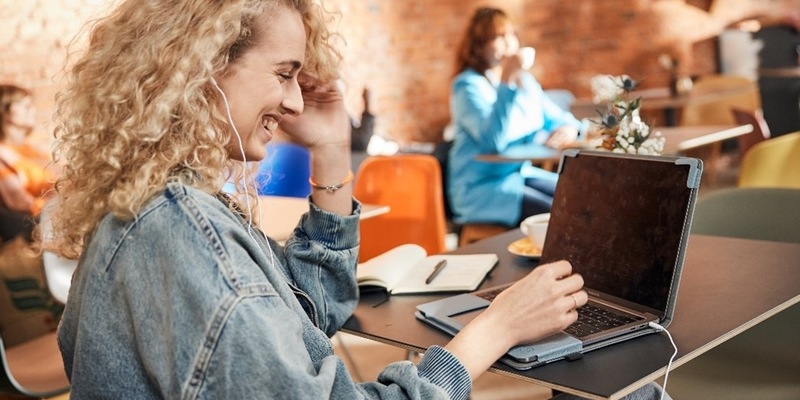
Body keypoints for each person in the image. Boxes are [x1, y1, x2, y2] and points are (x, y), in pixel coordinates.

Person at [46, 1, 669, 399]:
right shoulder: (179, 233)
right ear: (202, 67)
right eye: (284, 73)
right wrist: (494, 329)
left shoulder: (166, 210)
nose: (294, 103)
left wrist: (333, 153)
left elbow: (306, 316)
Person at [447, 7, 583, 228]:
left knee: (577, 195)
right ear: (479, 46)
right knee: (560, 212)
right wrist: (507, 78)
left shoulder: (525, 82)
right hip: (480, 188)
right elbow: (493, 141)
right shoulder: (467, 86)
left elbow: (558, 117)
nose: (508, 42)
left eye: (510, 34)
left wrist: (569, 128)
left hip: (516, 174)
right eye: (498, 37)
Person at [0, 84, 54, 242]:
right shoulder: (3, 155)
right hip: (41, 222)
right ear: (5, 111)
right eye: (26, 106)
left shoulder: (31, 148)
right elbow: (18, 203)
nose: (33, 111)